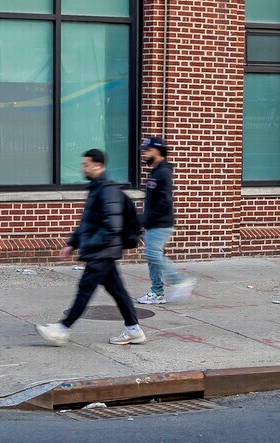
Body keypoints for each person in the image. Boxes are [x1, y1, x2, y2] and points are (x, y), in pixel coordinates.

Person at [37, 149, 146, 348]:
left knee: (85, 290)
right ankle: (134, 329)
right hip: (102, 250)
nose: (82, 168)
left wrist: (88, 244)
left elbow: (112, 227)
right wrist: (73, 243)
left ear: (98, 165)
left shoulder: (107, 191)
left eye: (86, 164)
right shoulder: (97, 189)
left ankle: (62, 329)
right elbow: (87, 223)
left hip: (102, 252)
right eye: (82, 164)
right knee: (118, 291)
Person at [136, 136, 197, 305]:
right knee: (152, 256)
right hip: (153, 222)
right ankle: (157, 292)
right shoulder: (156, 171)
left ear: (158, 151)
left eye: (148, 150)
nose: (145, 154)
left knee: (153, 254)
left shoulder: (162, 172)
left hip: (160, 223)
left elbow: (164, 201)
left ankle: (179, 280)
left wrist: (149, 219)